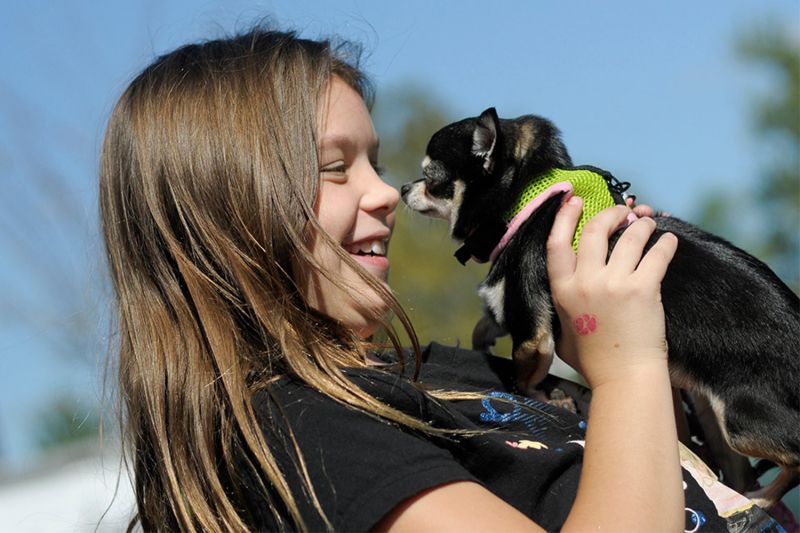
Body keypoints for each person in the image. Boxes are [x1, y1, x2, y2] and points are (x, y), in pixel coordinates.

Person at [99, 26, 785, 532]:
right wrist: (627, 364)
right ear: (227, 216)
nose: (386, 194)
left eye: (375, 161)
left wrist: (649, 324)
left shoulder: (443, 372)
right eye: (337, 169)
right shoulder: (297, 435)